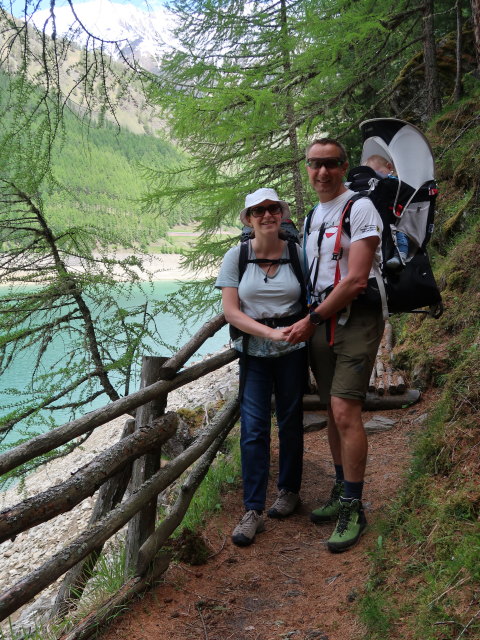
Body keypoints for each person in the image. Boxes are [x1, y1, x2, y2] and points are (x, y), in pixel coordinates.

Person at [282, 139, 385, 553]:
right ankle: (341, 490)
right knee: (330, 409)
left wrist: (312, 319)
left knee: (344, 410)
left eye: (330, 164)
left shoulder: (359, 208)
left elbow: (357, 279)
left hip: (354, 318)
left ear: (344, 166)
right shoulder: (311, 218)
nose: (322, 172)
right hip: (322, 319)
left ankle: (353, 506)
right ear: (307, 169)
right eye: (314, 165)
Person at [216, 187, 308, 547]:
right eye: (259, 211)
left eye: (273, 209)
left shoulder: (299, 255)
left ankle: (289, 491)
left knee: (290, 420)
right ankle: (252, 509)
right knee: (253, 428)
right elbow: (232, 311)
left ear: (282, 215)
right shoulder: (236, 257)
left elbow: (313, 296)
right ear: (249, 219)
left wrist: (292, 334)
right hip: (254, 353)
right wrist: (270, 334)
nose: (267, 215)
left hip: (294, 350)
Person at [364, 155, 409, 270]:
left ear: (389, 167)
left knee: (400, 232)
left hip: (398, 217)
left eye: (378, 173)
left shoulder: (395, 181)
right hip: (383, 218)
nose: (377, 177)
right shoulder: (375, 187)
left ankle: (401, 255)